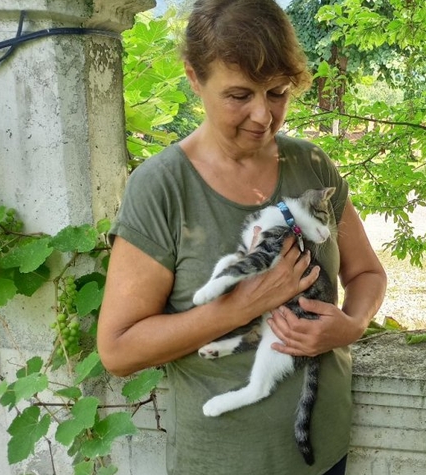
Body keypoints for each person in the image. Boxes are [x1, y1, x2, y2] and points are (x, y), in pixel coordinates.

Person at [96, 0, 387, 473]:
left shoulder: (312, 166)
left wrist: (352, 323)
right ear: (194, 78)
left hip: (325, 446)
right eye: (238, 95)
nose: (263, 116)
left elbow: (367, 271)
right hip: (223, 459)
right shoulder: (162, 187)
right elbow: (118, 349)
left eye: (277, 92)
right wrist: (241, 305)